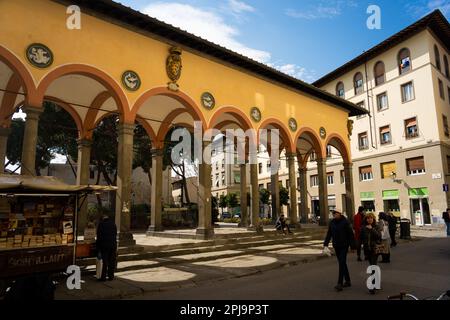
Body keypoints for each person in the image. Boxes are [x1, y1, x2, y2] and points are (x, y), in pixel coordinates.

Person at [323, 210, 356, 292]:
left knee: (341, 263)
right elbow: (329, 234)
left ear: (340, 214)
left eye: (336, 213)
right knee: (342, 263)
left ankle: (339, 283)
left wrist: (353, 246)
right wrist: (325, 244)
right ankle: (348, 281)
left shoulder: (345, 222)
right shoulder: (332, 222)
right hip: (336, 245)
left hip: (344, 245)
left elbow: (350, 234)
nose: (334, 215)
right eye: (333, 213)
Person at [360, 212, 381, 294]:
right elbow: (361, 238)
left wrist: (372, 229)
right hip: (367, 249)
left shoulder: (376, 226)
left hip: (375, 249)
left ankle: (372, 285)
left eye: (371, 218)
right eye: (368, 218)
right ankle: (376, 282)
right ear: (366, 219)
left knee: (373, 266)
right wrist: (360, 246)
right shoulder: (363, 228)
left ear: (373, 219)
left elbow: (379, 236)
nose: (369, 220)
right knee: (372, 266)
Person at [96, 213, 117, 281]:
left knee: (104, 262)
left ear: (102, 218)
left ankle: (103, 277)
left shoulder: (101, 224)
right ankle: (111, 276)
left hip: (104, 245)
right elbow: (115, 234)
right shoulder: (113, 224)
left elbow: (99, 236)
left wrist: (98, 247)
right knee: (111, 261)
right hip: (113, 245)